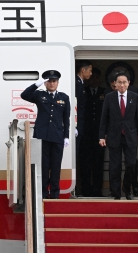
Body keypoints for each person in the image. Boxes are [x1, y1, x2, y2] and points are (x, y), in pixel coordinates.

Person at [20, 70, 70, 199]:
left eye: (54, 81)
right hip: (43, 135)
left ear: (58, 82)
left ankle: (54, 193)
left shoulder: (64, 97)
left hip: (58, 136)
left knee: (56, 166)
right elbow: (24, 95)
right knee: (43, 165)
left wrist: (66, 136)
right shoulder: (39, 95)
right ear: (45, 83)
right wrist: (36, 84)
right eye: (49, 81)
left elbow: (66, 119)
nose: (51, 83)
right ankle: (42, 192)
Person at [99, 71, 138, 200]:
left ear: (128, 83)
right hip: (114, 135)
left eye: (124, 82)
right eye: (119, 82)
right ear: (115, 84)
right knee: (115, 165)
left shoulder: (134, 97)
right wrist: (102, 136)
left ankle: (127, 188)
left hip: (130, 135)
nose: (122, 85)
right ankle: (115, 192)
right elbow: (104, 118)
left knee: (131, 164)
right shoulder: (109, 97)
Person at [81, 68, 106, 197]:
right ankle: (85, 190)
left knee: (98, 163)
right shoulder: (83, 91)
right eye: (92, 77)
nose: (94, 79)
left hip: (99, 135)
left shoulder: (104, 92)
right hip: (86, 134)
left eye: (97, 77)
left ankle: (97, 190)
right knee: (85, 163)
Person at [75, 61, 92, 196]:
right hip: (77, 125)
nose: (90, 74)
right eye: (89, 71)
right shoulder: (76, 83)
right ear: (83, 70)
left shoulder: (81, 84)